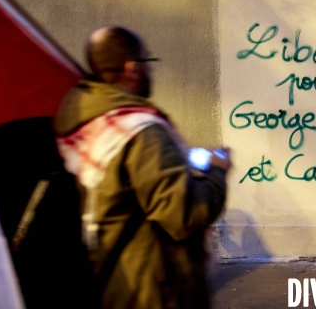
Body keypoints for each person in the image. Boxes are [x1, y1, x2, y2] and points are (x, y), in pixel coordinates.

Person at [54, 26, 230, 308]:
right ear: (132, 68)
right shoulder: (141, 132)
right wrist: (218, 172)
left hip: (112, 280)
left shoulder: (81, 118)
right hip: (155, 288)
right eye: (148, 63)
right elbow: (182, 215)